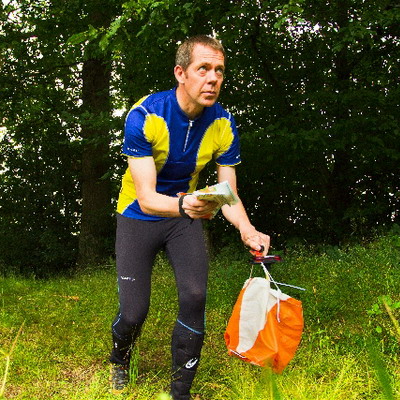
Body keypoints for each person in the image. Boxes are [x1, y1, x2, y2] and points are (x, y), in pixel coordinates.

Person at [109, 35, 270, 400]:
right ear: (181, 73)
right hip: (139, 216)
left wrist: (247, 228)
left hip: (184, 217)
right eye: (203, 69)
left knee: (195, 296)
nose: (213, 78)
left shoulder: (224, 123)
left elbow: (227, 194)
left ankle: (180, 392)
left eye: (219, 71)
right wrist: (186, 206)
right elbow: (147, 198)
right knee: (134, 312)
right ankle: (119, 360)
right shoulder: (145, 115)